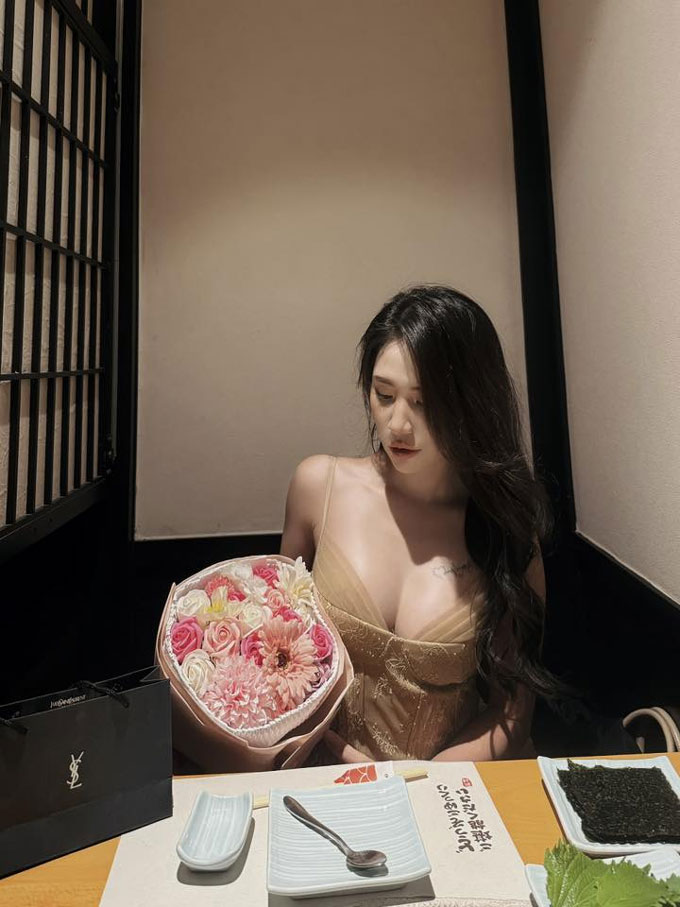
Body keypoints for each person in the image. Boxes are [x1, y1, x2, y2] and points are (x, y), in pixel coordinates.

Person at [280, 285, 558, 764]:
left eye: (424, 402)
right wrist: (338, 757)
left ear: (473, 404)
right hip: (317, 781)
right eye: (384, 395)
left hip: (448, 791)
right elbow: (273, 656)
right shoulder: (318, 487)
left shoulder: (505, 528)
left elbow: (512, 713)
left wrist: (419, 784)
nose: (398, 425)